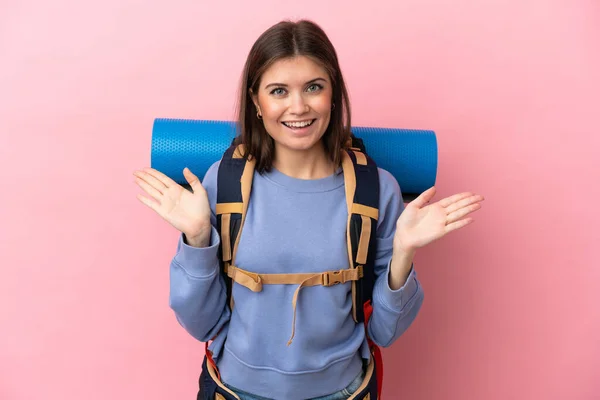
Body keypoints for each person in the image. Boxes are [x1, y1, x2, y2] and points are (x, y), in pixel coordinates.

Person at [133, 19, 484, 400]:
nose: (297, 107)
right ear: (256, 101)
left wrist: (403, 252)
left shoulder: (375, 189)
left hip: (342, 392)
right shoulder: (224, 183)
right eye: (278, 91)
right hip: (234, 390)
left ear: (333, 93)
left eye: (313, 87)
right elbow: (202, 324)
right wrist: (197, 239)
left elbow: (384, 332)